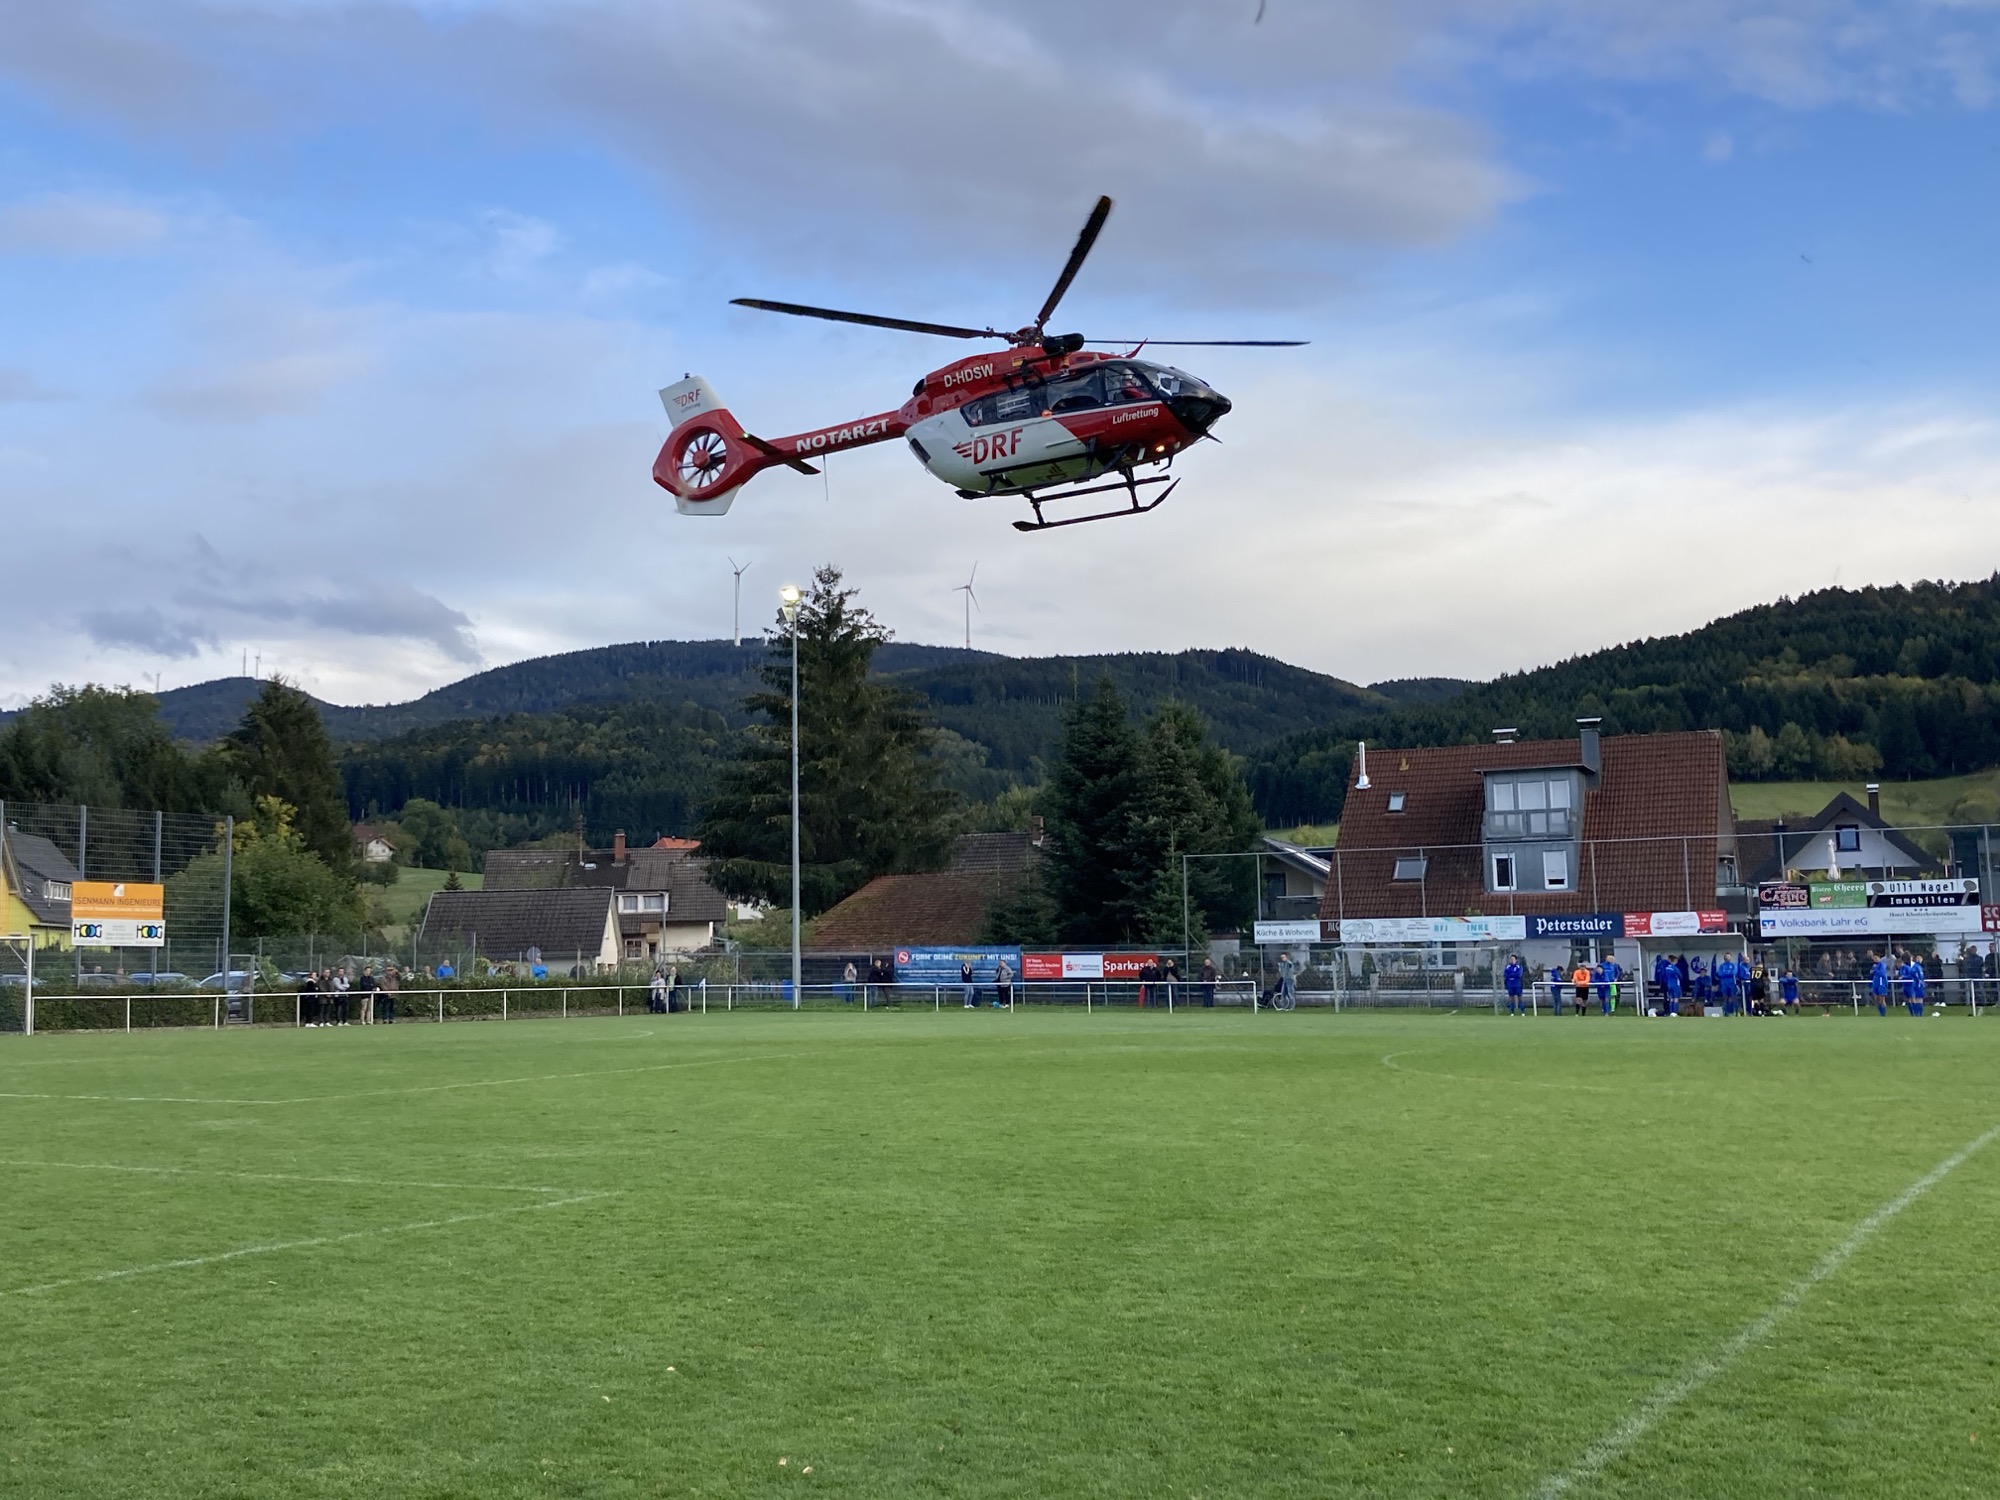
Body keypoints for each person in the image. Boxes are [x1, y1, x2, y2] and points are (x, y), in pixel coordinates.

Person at [1870, 951, 1889, 1017]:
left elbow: (1882, 973)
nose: (1875, 959)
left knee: (1882, 999)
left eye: (1876, 958)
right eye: (1874, 958)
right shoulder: (1874, 966)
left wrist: (1875, 970)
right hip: (1876, 983)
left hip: (1881, 983)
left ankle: (1883, 1014)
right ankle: (1880, 1013)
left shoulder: (1882, 965)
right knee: (1876, 999)